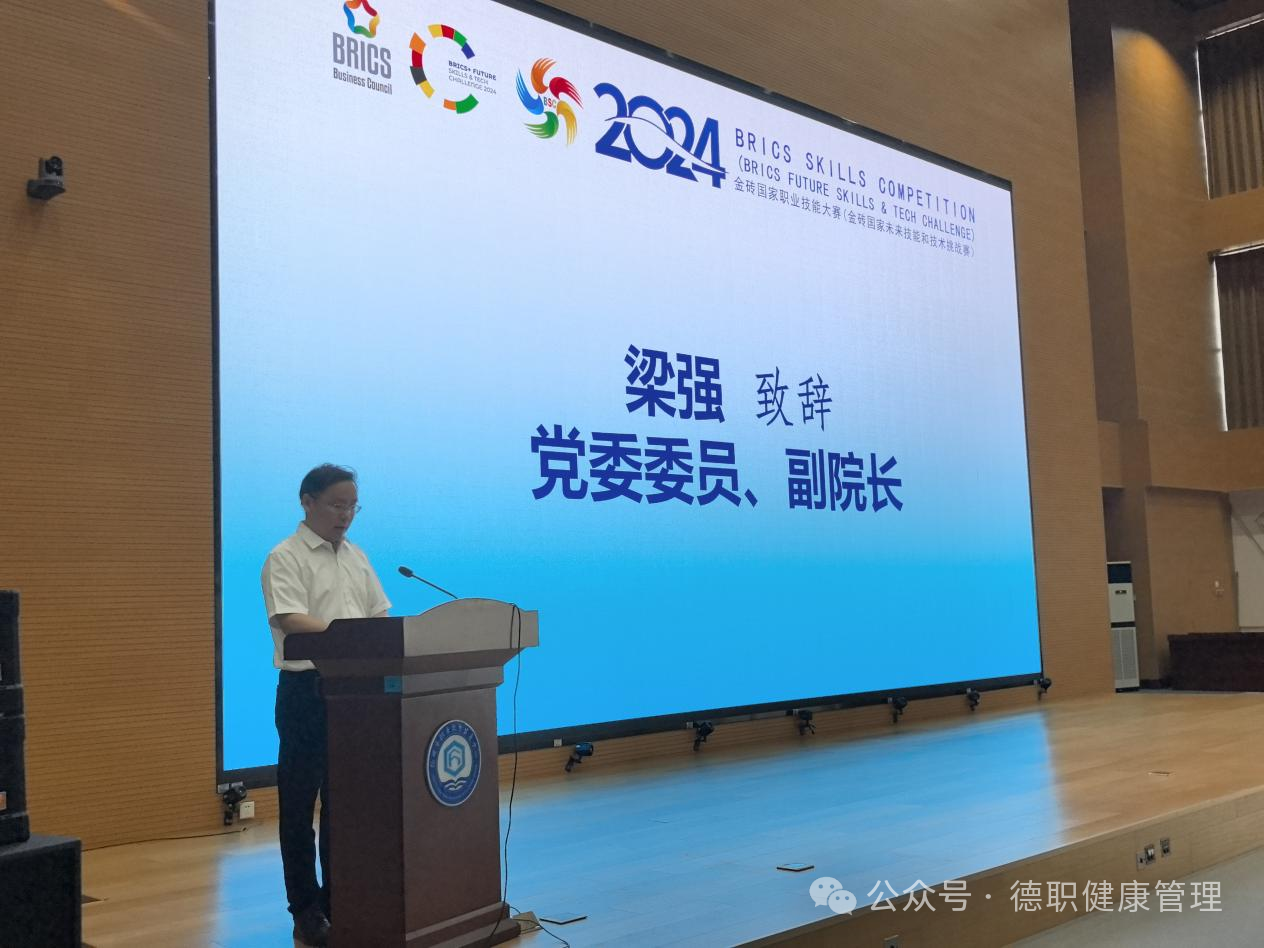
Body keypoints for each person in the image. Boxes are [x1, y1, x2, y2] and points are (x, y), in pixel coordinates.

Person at [261, 464, 390, 947]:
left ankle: (341, 899)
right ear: (307, 501)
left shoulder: (357, 557)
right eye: (337, 505)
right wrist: (351, 638)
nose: (346, 515)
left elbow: (380, 615)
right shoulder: (285, 556)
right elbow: (290, 618)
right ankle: (306, 910)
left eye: (353, 506)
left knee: (346, 803)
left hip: (357, 693)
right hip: (307, 691)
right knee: (299, 808)